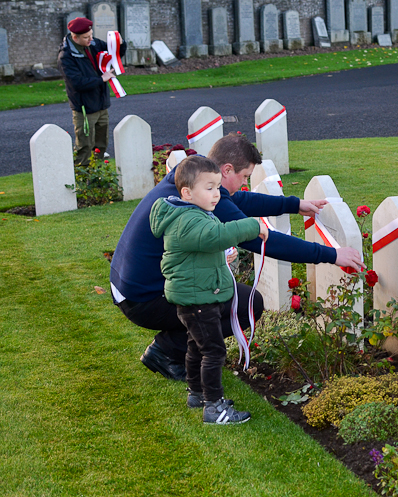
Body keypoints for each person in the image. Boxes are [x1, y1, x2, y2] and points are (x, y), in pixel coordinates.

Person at [110, 133, 365, 381]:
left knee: (234, 298)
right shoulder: (206, 192)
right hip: (144, 299)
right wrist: (332, 254)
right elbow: (263, 240)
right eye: (244, 176)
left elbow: (237, 200)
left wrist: (293, 204)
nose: (244, 183)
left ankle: (171, 347)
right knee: (247, 306)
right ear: (227, 169)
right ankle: (167, 351)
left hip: (128, 286)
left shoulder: (194, 176)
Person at [150, 155, 268, 423]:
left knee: (196, 345)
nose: (217, 194)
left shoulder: (193, 213)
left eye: (217, 187)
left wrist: (221, 256)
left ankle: (197, 392)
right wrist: (252, 225)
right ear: (187, 192)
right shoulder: (188, 220)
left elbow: (205, 247)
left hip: (197, 294)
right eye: (210, 188)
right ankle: (214, 407)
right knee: (213, 351)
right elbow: (215, 236)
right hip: (198, 298)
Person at [58, 17, 125, 166]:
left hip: (101, 105)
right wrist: (101, 79)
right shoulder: (66, 56)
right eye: (86, 37)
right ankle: (82, 184)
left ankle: (97, 180)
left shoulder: (93, 44)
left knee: (100, 146)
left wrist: (120, 44)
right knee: (85, 149)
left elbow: (114, 55)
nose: (91, 39)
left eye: (91, 35)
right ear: (75, 37)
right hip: (84, 109)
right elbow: (77, 83)